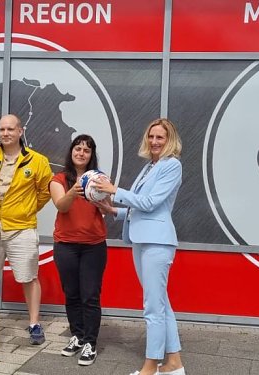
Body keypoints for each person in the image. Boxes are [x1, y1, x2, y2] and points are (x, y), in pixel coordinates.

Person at [94, 118, 186, 375]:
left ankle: (150, 366)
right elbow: (140, 209)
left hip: (157, 242)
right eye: (152, 137)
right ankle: (174, 363)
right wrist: (113, 210)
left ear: (170, 141)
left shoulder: (172, 165)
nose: (155, 142)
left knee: (153, 307)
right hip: (142, 239)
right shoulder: (150, 167)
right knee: (161, 304)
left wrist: (115, 190)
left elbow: (150, 203)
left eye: (161, 138)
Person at [0, 114, 52, 345]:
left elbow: (45, 192)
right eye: (2, 129)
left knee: (28, 277)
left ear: (21, 131)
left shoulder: (37, 160)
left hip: (22, 229)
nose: (5, 133)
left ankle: (34, 323)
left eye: (10, 129)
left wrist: (25, 210)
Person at [49, 134, 108, 366]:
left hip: (94, 246)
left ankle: (90, 343)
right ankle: (77, 335)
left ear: (91, 155)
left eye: (87, 150)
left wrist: (103, 195)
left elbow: (106, 207)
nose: (81, 153)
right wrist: (74, 190)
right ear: (71, 151)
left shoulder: (99, 179)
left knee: (90, 295)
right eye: (78, 148)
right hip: (66, 245)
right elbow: (60, 206)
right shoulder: (60, 179)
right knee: (72, 293)